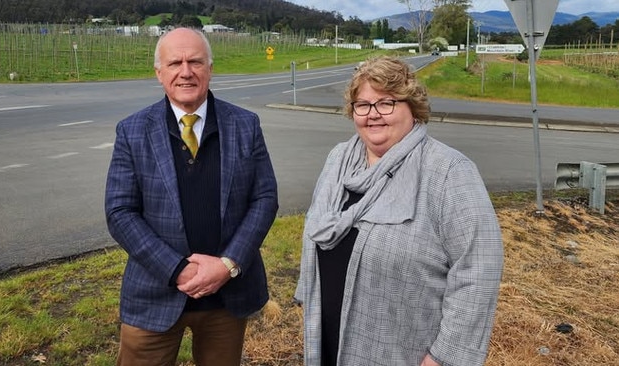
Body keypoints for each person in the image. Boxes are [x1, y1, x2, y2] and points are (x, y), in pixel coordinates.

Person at [295, 56, 504, 366]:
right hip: (329, 338)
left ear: (412, 107)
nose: (373, 115)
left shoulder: (447, 171)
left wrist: (443, 357)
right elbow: (317, 228)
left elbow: (478, 266)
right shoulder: (339, 159)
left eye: (386, 103)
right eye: (362, 105)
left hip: (404, 352)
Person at [105, 27, 278, 366]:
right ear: (159, 73)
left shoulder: (245, 124)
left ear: (210, 68)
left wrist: (227, 266)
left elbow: (265, 199)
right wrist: (178, 270)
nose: (186, 71)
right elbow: (120, 211)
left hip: (226, 298)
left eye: (195, 61)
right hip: (154, 293)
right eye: (175, 63)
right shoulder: (133, 130)